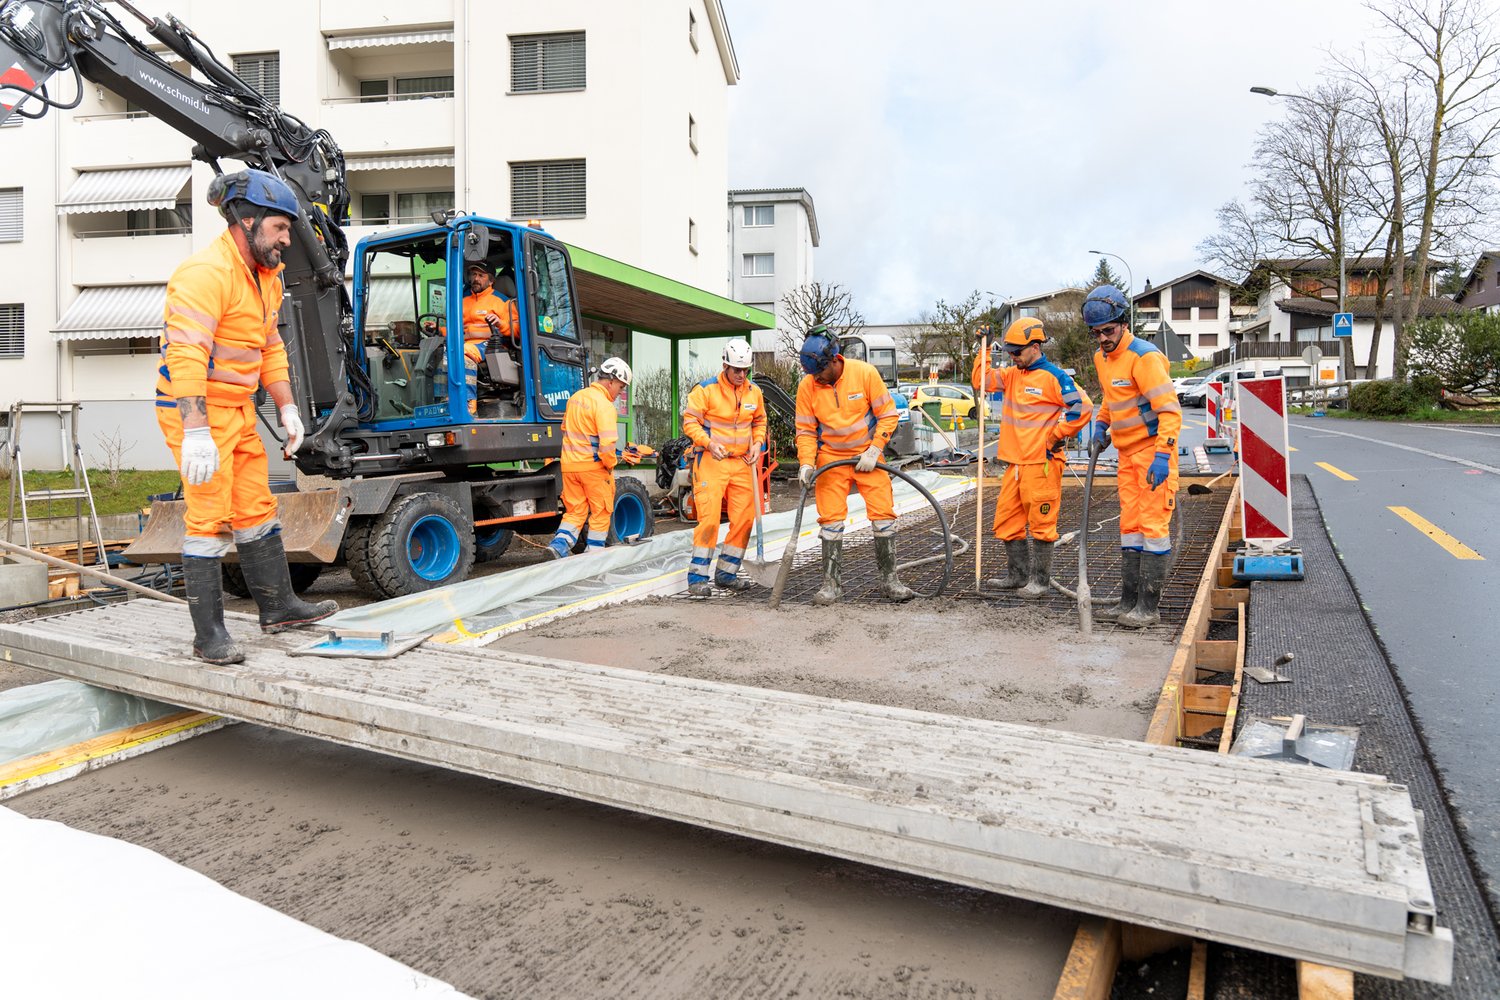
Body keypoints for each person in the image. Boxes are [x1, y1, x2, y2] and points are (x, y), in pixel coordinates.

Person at [155, 168, 338, 665]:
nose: (286, 240)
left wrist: (288, 408)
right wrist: (195, 432)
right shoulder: (204, 275)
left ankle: (279, 609)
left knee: (256, 509)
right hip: (196, 409)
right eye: (280, 228)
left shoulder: (266, 277)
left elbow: (271, 346)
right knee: (209, 517)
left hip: (235, 407)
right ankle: (208, 635)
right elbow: (186, 356)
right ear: (246, 219)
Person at [971, 318, 1093, 597]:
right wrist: (985, 349)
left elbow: (1082, 407)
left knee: (1041, 523)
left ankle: (1039, 581)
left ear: (1035, 347)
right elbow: (981, 381)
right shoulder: (1013, 375)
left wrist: (1056, 435)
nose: (1013, 357)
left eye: (1018, 352)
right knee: (1007, 521)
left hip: (1042, 464)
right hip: (1015, 464)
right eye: (1010, 352)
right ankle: (1017, 576)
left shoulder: (1055, 377)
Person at [1082, 284, 1181, 628]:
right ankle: (1128, 601)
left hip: (1153, 453)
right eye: (1096, 333)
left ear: (1124, 322)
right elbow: (1112, 397)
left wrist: (1163, 455)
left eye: (1108, 330)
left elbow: (1170, 412)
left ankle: (1148, 607)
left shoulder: (1145, 357)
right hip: (1126, 455)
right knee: (1130, 527)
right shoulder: (1103, 358)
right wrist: (1101, 423)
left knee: (1153, 528)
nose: (1103, 338)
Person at [794, 325, 913, 605]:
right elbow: (807, 432)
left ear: (834, 360)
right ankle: (831, 585)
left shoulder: (864, 374)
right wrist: (806, 464)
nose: (816, 378)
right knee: (831, 522)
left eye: (820, 372)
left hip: (867, 457)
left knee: (883, 516)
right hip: (831, 460)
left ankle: (890, 581)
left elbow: (888, 415)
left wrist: (875, 449)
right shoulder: (808, 386)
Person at [681, 339, 767, 596]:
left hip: (742, 462)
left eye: (745, 371)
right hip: (711, 461)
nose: (741, 375)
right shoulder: (705, 390)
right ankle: (697, 578)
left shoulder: (754, 393)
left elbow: (759, 422)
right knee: (709, 519)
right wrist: (708, 443)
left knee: (744, 519)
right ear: (725, 366)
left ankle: (727, 573)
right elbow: (690, 423)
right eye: (736, 370)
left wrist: (758, 444)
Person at [546, 358, 636, 558]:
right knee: (601, 511)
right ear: (611, 381)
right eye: (620, 387)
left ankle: (559, 545)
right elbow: (606, 446)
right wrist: (611, 464)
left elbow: (565, 431)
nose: (619, 393)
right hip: (593, 469)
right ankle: (594, 555)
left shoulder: (576, 398)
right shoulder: (604, 405)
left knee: (575, 511)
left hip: (569, 467)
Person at [460, 261, 519, 415]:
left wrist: (501, 323)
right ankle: (445, 400)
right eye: (473, 274)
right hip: (465, 343)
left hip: (492, 344)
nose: (476, 279)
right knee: (441, 354)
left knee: (464, 353)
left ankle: (467, 405)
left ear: (491, 280)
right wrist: (438, 329)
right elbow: (454, 328)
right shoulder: (462, 302)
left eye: (481, 275)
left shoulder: (502, 301)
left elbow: (518, 329)